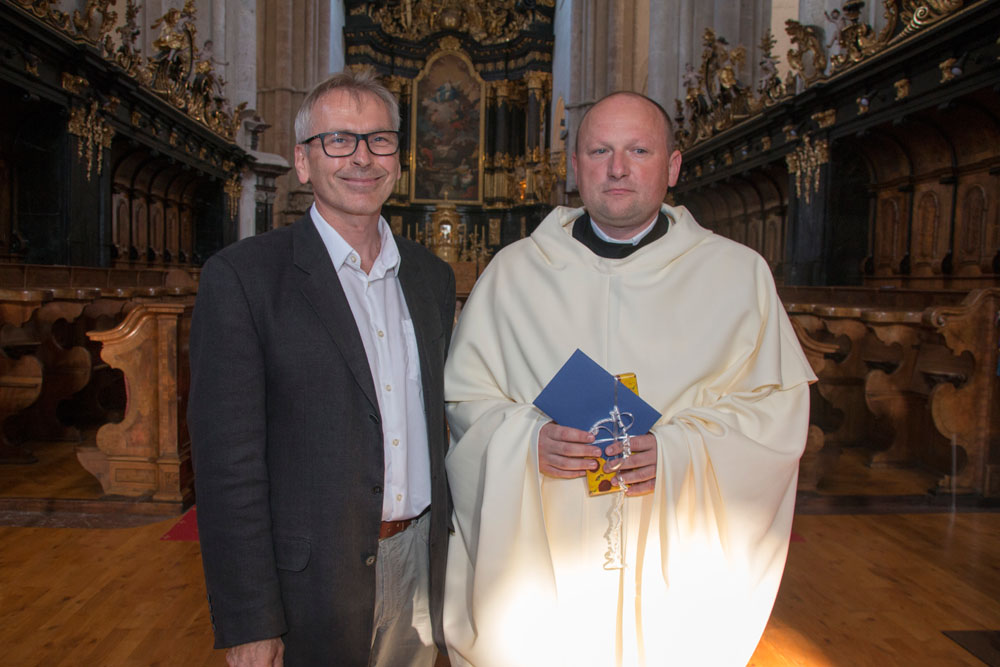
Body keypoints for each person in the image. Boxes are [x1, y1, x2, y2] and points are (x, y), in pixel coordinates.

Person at [442, 91, 816, 666]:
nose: (617, 168)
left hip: (677, 553)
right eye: (600, 151)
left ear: (673, 166)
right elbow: (465, 400)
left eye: (638, 150)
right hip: (545, 561)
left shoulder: (737, 275)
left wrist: (682, 452)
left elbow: (776, 414)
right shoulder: (513, 274)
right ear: (575, 168)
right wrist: (525, 440)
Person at [189, 70, 455, 667]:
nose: (362, 157)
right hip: (310, 584)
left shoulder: (429, 277)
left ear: (398, 159)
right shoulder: (244, 279)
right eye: (338, 140)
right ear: (303, 162)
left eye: (379, 140)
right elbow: (228, 467)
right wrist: (250, 621)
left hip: (418, 563)